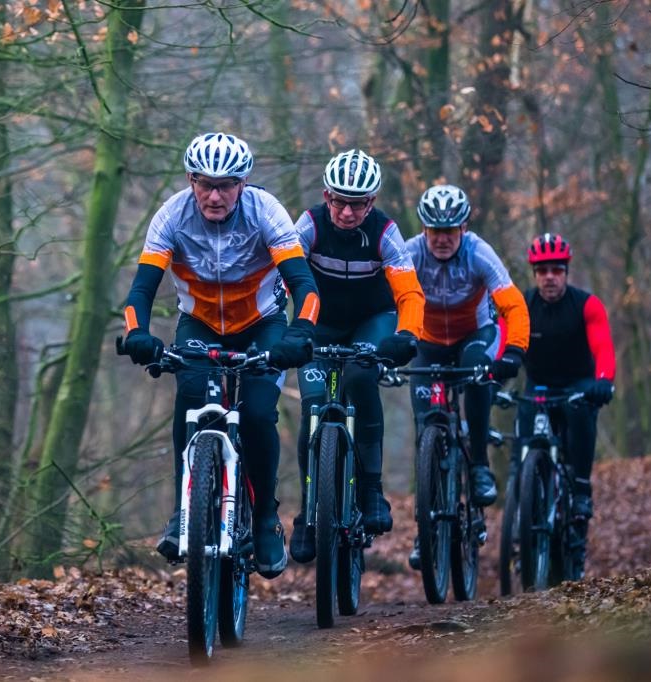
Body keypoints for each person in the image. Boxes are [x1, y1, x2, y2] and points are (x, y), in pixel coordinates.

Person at [119, 132, 320, 579]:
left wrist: (299, 333)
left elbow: (305, 288)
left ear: (242, 184)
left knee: (258, 413)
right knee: (190, 399)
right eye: (205, 184)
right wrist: (138, 334)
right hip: (200, 323)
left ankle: (265, 519)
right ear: (190, 180)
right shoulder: (171, 216)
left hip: (263, 323)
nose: (214, 196)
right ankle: (182, 511)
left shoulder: (266, 212)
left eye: (226, 185)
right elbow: (141, 292)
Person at [288, 149, 425, 563]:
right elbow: (280, 277)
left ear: (372, 201)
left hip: (372, 320)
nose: (347, 212)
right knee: (313, 405)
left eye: (358, 203)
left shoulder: (385, 233)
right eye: (339, 201)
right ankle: (307, 514)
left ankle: (371, 490)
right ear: (326, 196)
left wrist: (407, 334)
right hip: (319, 322)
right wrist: (282, 330)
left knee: (362, 379)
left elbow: (409, 292)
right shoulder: (308, 225)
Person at [404, 184, 530, 569]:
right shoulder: (410, 253)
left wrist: (514, 351)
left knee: (478, 379)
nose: (442, 239)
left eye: (450, 231)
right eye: (435, 231)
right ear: (424, 229)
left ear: (463, 228)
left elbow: (513, 305)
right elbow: (385, 299)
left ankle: (479, 467)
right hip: (427, 341)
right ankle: (424, 529)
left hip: (473, 336)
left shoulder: (479, 253)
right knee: (424, 427)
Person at [519, 233, 615, 576]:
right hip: (538, 385)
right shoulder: (523, 305)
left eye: (556, 270)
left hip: (578, 384)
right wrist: (494, 373)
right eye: (542, 271)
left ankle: (581, 489)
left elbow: (603, 347)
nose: (550, 277)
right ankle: (521, 510)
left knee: (579, 414)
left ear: (566, 272)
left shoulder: (586, 305)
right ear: (534, 273)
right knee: (523, 440)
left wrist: (603, 380)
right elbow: (504, 343)